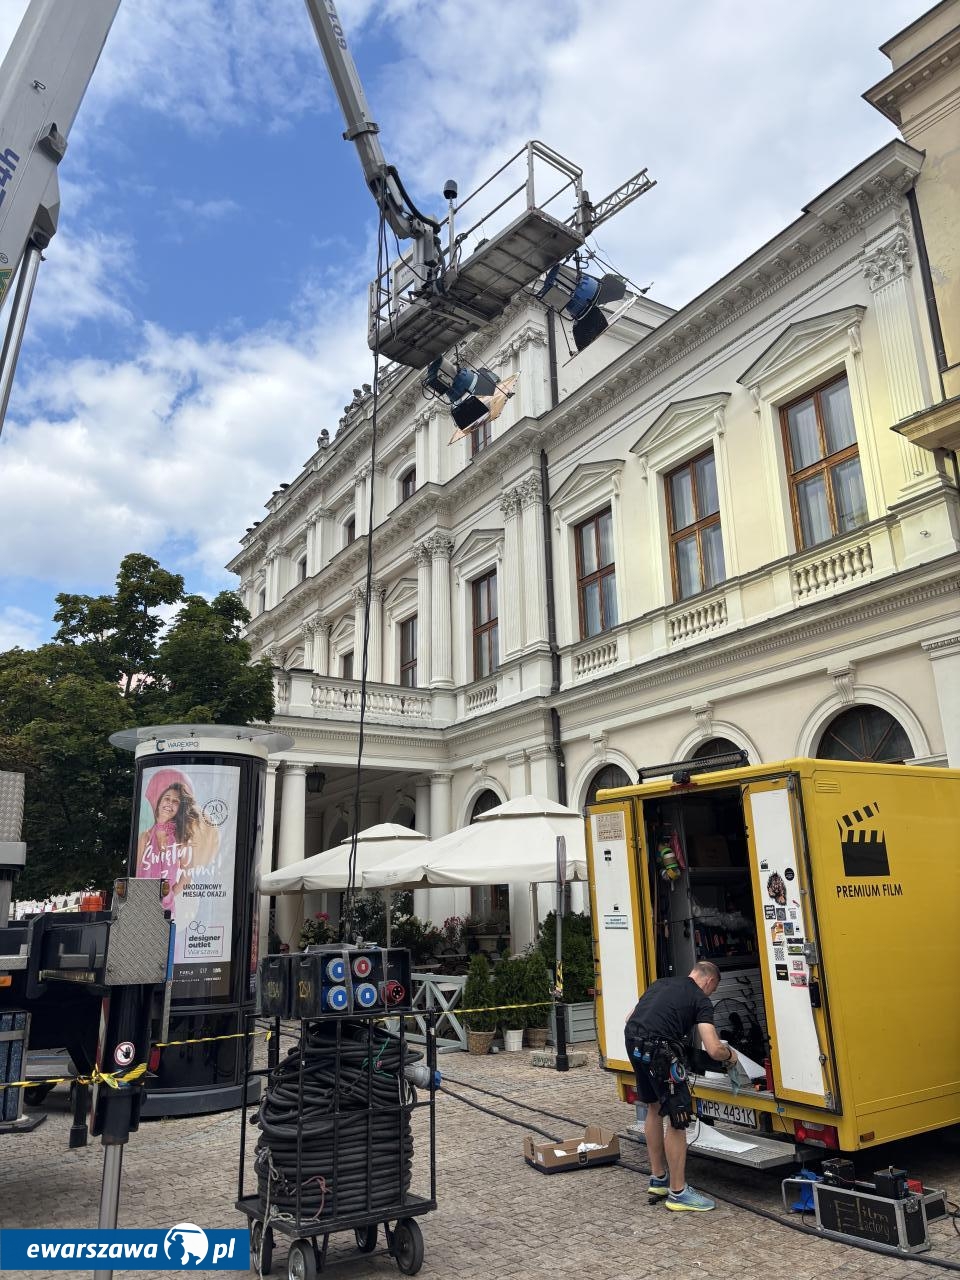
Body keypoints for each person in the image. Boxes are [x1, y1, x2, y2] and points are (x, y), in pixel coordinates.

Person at [624, 960, 738, 1212]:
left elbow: (629, 1017)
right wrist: (730, 1056)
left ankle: (658, 1178)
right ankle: (678, 1193)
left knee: (653, 1108)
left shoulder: (660, 984)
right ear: (709, 981)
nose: (710, 994)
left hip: (633, 1042)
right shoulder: (700, 999)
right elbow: (713, 1048)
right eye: (713, 990)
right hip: (660, 1051)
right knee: (678, 1119)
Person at [136, 769, 218, 915]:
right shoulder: (145, 837)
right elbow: (137, 873)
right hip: (142, 904)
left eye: (175, 801)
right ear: (159, 802)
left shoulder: (181, 839)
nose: (170, 803)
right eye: (167, 798)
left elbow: (186, 876)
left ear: (179, 809)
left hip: (166, 908)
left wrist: (170, 894)